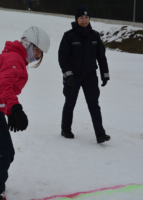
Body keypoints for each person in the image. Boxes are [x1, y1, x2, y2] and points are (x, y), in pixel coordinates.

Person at [0, 26, 50, 200]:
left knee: (0, 149)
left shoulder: (16, 57)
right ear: (27, 43)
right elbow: (3, 85)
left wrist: (8, 111)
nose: (37, 55)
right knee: (4, 152)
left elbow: (4, 87)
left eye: (40, 53)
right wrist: (15, 109)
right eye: (36, 50)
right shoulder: (16, 58)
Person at [58, 5, 111, 144]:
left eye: (87, 17)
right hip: (73, 77)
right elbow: (62, 57)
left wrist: (105, 74)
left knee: (94, 104)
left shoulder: (94, 36)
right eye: (81, 17)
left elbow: (101, 57)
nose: (84, 20)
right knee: (70, 103)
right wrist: (68, 75)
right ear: (76, 19)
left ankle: (100, 134)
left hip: (90, 76)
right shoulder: (69, 36)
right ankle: (65, 129)